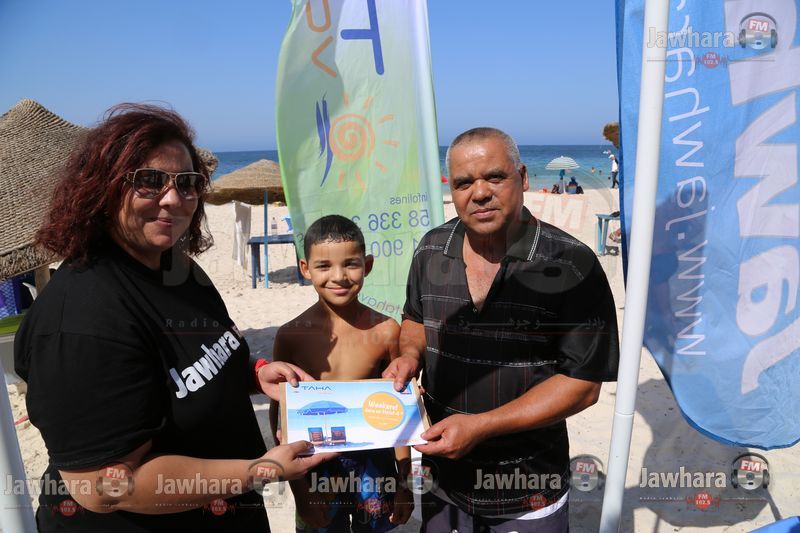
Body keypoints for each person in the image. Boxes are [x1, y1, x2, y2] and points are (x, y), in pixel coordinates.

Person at [14, 104, 335, 532]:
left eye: (187, 183)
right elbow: (106, 486)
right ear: (103, 188)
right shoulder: (80, 319)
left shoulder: (177, 267)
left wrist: (254, 373)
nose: (173, 198)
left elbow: (197, 363)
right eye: (149, 180)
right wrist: (260, 470)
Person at [384, 127, 620, 531]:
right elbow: (415, 320)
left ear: (523, 178)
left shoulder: (572, 265)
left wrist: (482, 426)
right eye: (463, 183)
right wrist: (408, 355)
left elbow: (583, 385)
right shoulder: (431, 249)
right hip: (443, 483)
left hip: (528, 491)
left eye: (494, 177)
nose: (479, 193)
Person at [269, 215, 413, 532]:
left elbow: (399, 409)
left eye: (351, 264)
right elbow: (281, 416)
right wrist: (300, 492)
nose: (339, 276)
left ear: (368, 265)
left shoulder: (386, 331)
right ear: (305, 268)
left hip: (374, 462)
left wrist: (405, 482)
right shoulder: (291, 335)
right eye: (324, 266)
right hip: (314, 463)